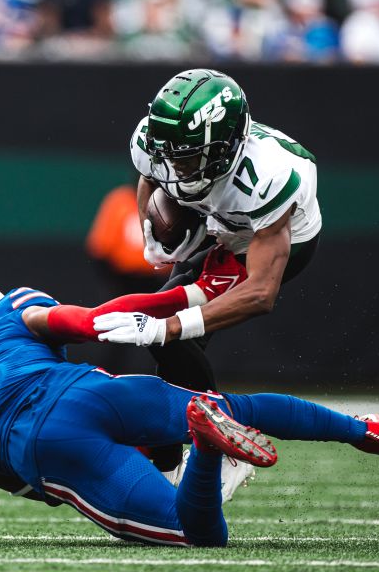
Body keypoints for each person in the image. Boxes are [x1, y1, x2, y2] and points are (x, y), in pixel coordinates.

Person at [0, 271, 379, 547]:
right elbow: (90, 323)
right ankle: (359, 428)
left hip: (47, 446)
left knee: (198, 532)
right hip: (91, 390)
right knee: (236, 405)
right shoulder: (10, 312)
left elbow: (20, 483)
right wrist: (185, 297)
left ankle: (208, 452)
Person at [124, 68, 324, 477]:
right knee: (169, 340)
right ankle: (179, 447)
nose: (175, 169)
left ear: (225, 145)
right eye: (170, 154)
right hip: (217, 222)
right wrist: (153, 230)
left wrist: (172, 328)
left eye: (187, 157)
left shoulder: (267, 176)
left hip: (262, 241)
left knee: (168, 331)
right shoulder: (156, 143)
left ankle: (213, 443)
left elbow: (260, 293)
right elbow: (150, 174)